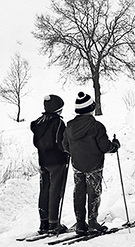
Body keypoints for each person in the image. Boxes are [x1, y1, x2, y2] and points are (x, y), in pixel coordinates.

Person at [62, 92, 120, 235]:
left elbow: (65, 146)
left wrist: (75, 153)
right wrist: (115, 145)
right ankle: (93, 222)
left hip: (77, 165)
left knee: (79, 193)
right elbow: (105, 147)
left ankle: (81, 224)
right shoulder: (96, 126)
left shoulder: (69, 126)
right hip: (94, 165)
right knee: (94, 193)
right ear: (91, 108)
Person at [31, 95, 69, 234]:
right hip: (57, 162)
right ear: (57, 109)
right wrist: (66, 152)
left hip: (43, 161)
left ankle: (44, 222)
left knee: (44, 190)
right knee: (55, 191)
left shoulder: (39, 123)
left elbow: (36, 143)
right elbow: (61, 143)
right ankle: (54, 223)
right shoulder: (58, 123)